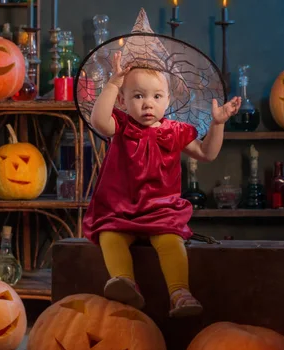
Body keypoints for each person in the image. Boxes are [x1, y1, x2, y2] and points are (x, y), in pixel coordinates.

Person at [82, 50, 242, 317]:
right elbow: (99, 120)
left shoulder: (175, 131)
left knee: (171, 241)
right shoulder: (120, 126)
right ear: (122, 101)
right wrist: (112, 83)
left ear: (168, 99)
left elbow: (207, 153)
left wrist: (217, 124)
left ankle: (180, 293)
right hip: (120, 209)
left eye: (156, 97)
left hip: (161, 211)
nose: (148, 104)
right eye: (138, 96)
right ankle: (125, 282)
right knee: (109, 236)